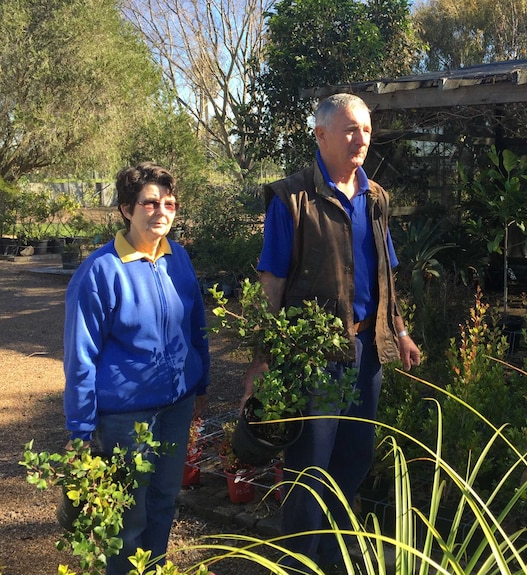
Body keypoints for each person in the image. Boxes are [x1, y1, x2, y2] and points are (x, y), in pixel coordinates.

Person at [242, 93, 421, 571]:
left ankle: (337, 557)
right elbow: (272, 284)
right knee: (310, 467)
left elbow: (386, 274)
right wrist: (261, 361)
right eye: (349, 129)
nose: (360, 138)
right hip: (315, 356)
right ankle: (300, 562)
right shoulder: (291, 199)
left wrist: (399, 331)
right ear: (320, 135)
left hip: (367, 348)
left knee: (354, 459)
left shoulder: (375, 197)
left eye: (365, 129)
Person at [63, 162, 210, 574]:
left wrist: (201, 385)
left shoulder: (177, 258)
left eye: (169, 203)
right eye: (150, 202)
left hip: (177, 408)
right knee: (128, 517)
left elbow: (196, 324)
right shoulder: (100, 271)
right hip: (128, 417)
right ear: (127, 209)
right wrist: (80, 428)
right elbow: (80, 355)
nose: (161, 210)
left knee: (164, 502)